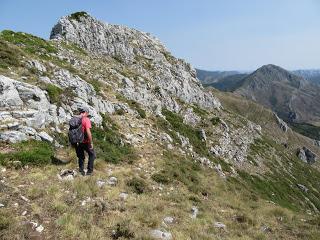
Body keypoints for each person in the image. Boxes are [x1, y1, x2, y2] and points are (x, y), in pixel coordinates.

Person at [75, 106, 95, 176]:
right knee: (92, 154)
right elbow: (88, 131)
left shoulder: (75, 119)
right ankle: (89, 171)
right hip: (85, 141)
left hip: (77, 141)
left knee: (81, 156)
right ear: (86, 112)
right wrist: (91, 142)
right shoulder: (86, 119)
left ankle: (81, 171)